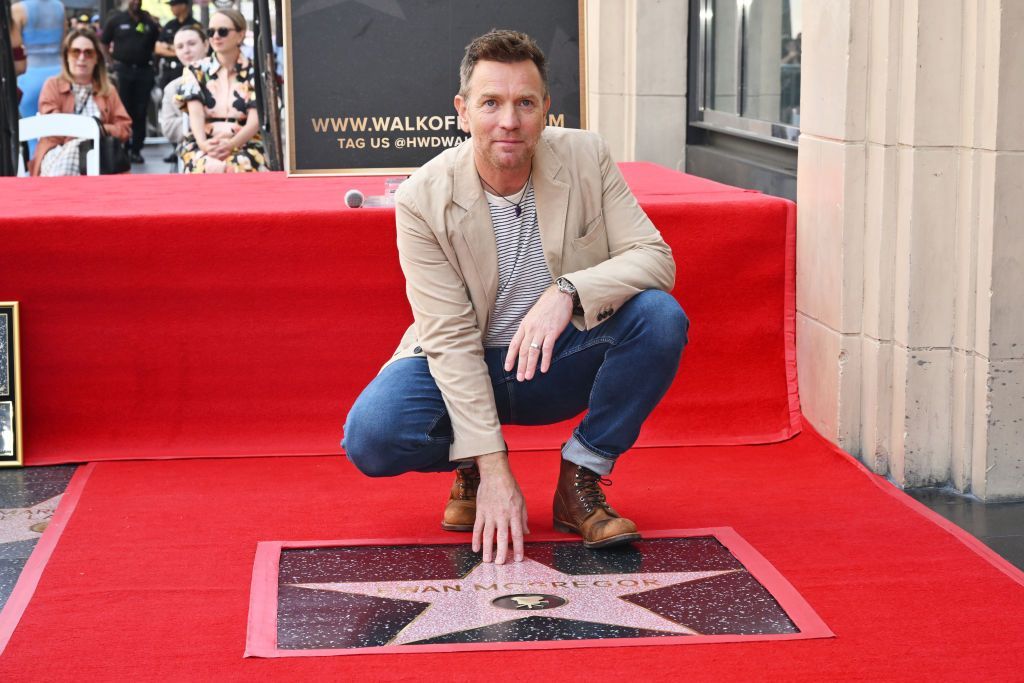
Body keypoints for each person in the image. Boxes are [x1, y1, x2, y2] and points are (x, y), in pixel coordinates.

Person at [342, 30, 688, 565]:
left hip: (555, 358)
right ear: (462, 112)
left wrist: (568, 291)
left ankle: (581, 477)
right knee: (372, 435)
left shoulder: (587, 156)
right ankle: (472, 467)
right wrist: (496, 468)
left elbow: (655, 258)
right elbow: (451, 340)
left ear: (546, 108)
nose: (510, 120)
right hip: (462, 360)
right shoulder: (422, 199)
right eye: (491, 103)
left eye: (525, 102)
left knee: (659, 317)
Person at [29, 28, 131, 176]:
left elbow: (124, 129)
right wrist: (85, 133)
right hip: (58, 153)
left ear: (96, 59)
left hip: (99, 157)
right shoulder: (52, 85)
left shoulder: (108, 91)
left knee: (88, 152)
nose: (82, 58)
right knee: (75, 149)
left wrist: (98, 130)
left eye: (88, 53)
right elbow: (52, 125)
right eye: (75, 52)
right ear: (66, 57)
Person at [176, 9, 263, 173]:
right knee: (203, 165)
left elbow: (255, 120)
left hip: (245, 142)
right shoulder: (195, 71)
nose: (215, 36)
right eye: (210, 32)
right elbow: (196, 115)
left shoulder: (256, 72)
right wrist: (203, 144)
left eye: (222, 31)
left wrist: (231, 145)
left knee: (238, 166)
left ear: (240, 35)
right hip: (205, 141)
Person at [101, 0, 159, 163]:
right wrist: (111, 64)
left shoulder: (149, 22)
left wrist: (154, 65)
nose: (135, 2)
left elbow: (156, 44)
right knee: (122, 110)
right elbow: (104, 42)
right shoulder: (116, 20)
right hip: (123, 71)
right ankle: (122, 148)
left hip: (143, 71)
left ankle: (136, 149)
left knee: (140, 112)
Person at [12, 0, 65, 118]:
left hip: (28, 76)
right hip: (60, 74)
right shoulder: (60, 6)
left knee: (28, 128)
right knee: (59, 127)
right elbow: (63, 44)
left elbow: (15, 48)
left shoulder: (17, 9)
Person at [158, 24, 205, 155]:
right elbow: (167, 128)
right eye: (180, 47)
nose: (186, 50)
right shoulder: (172, 88)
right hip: (192, 150)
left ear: (206, 44)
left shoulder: (225, 77)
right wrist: (201, 121)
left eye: (192, 43)